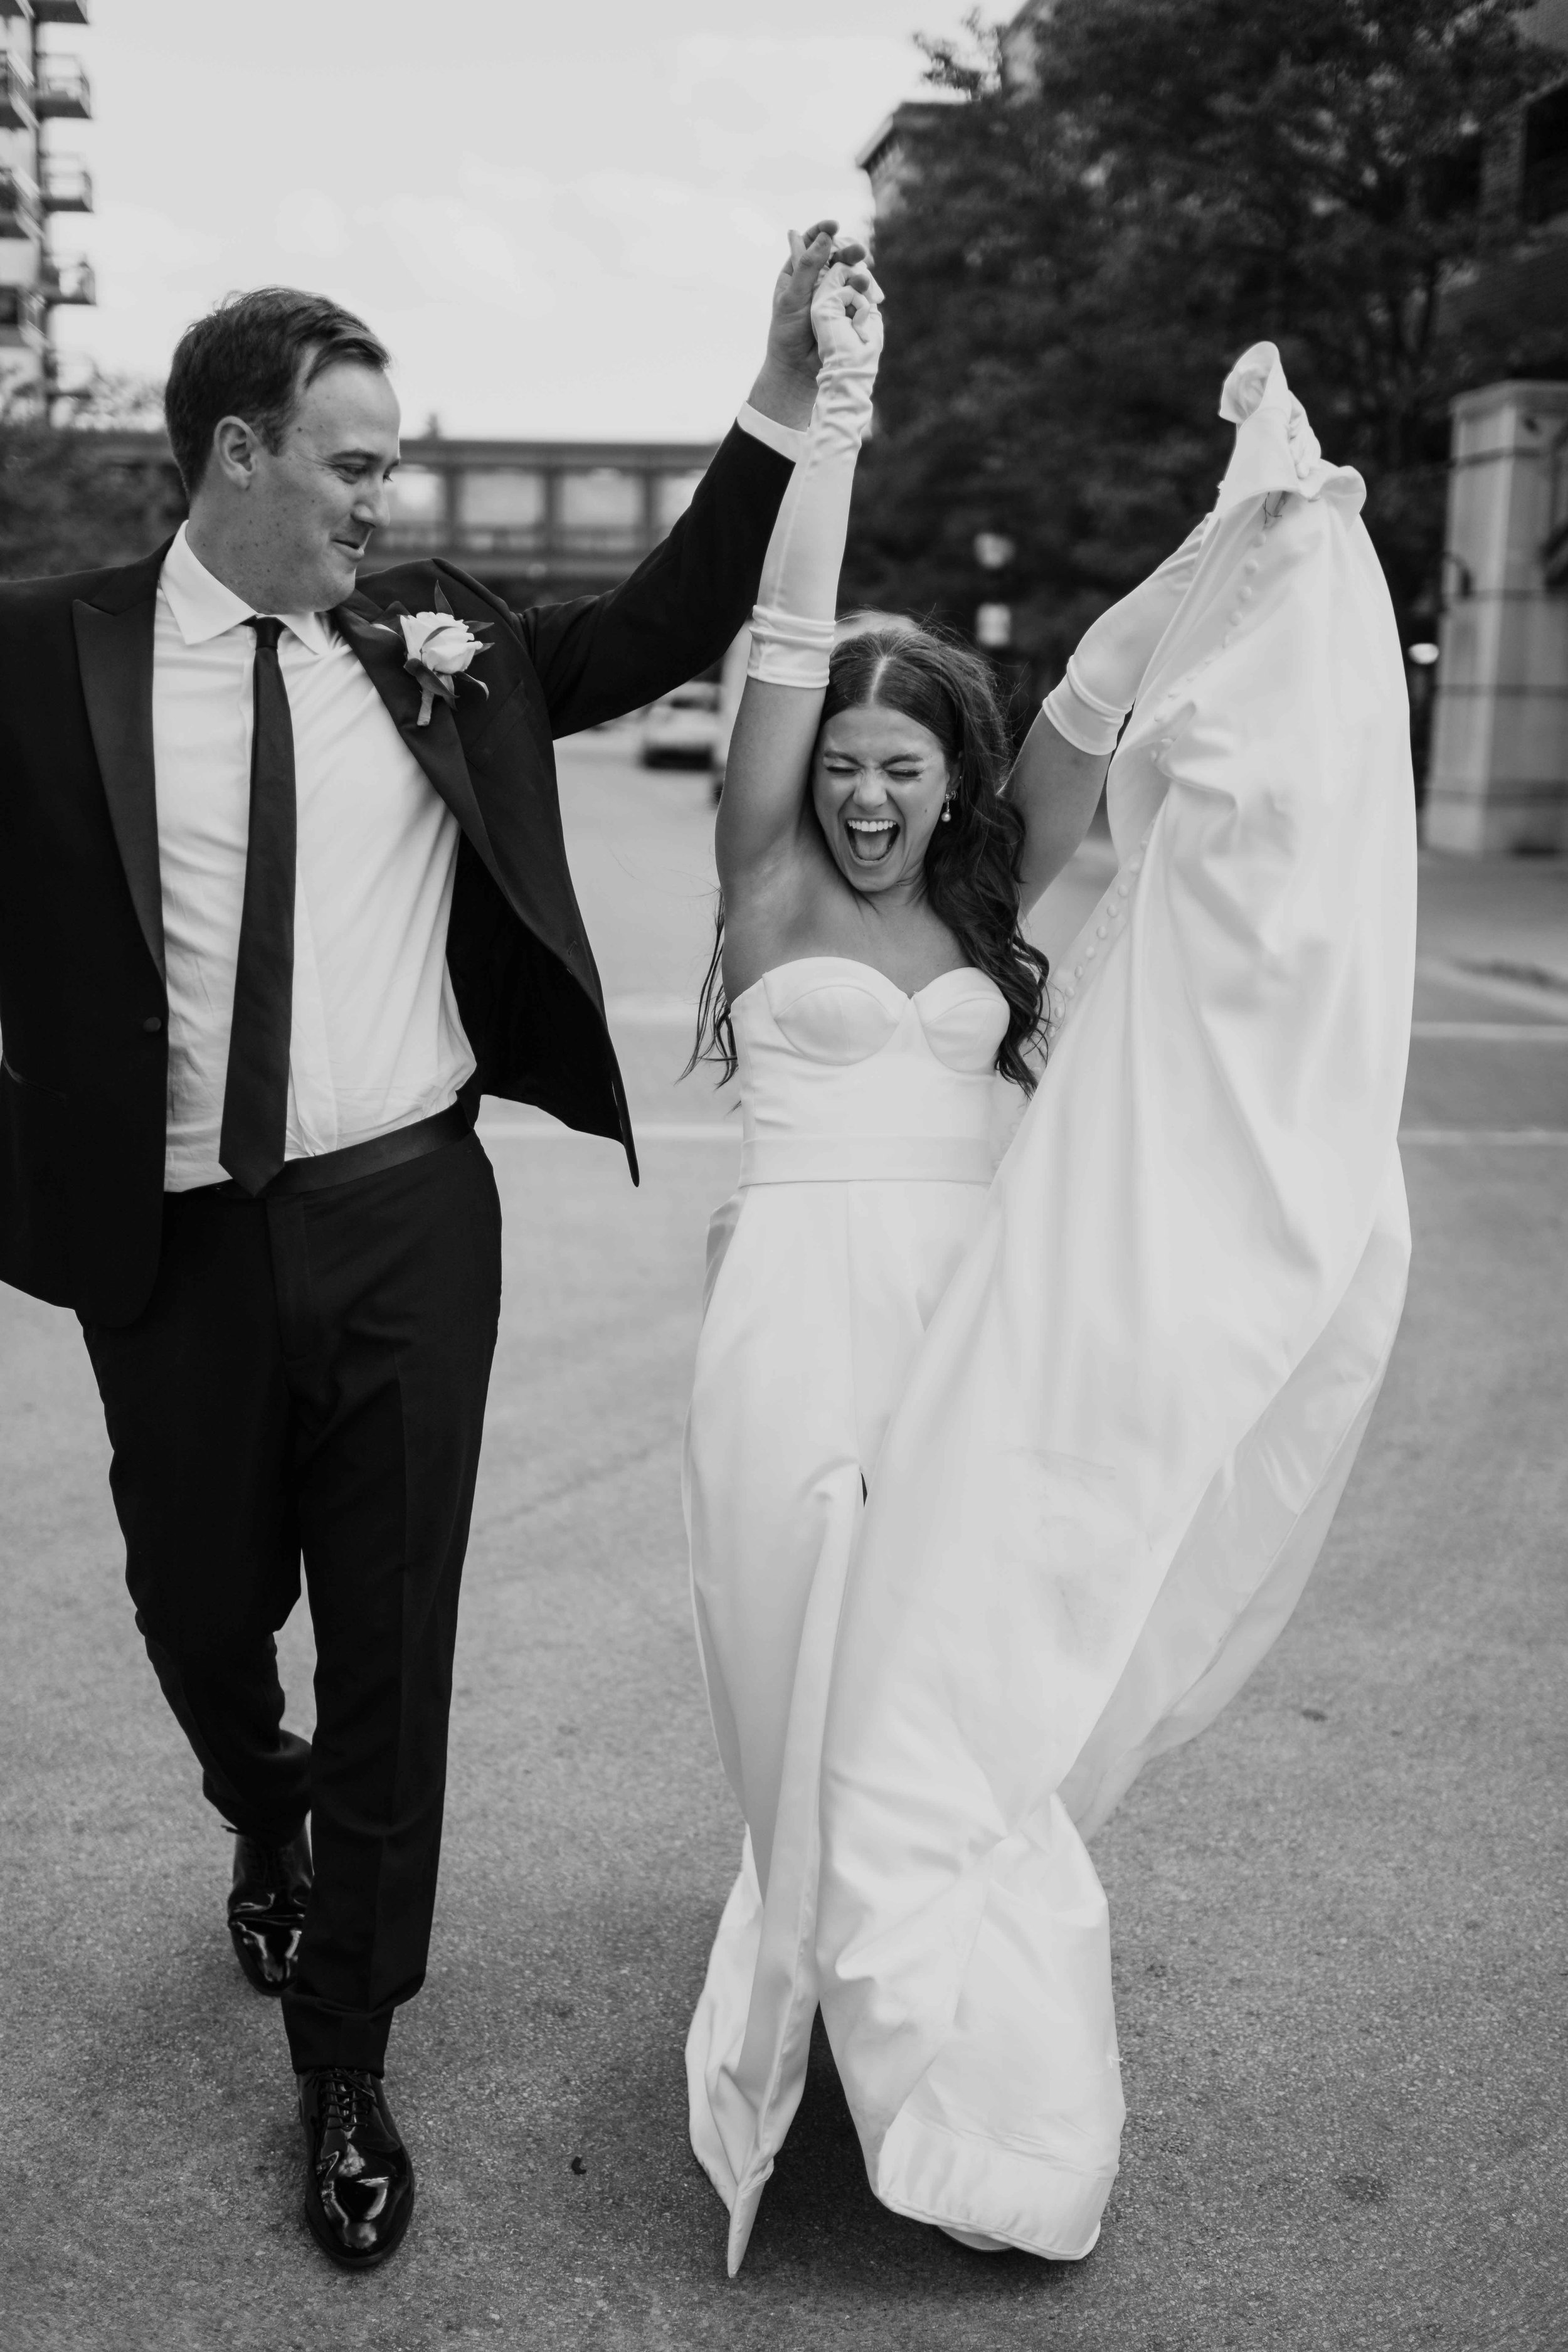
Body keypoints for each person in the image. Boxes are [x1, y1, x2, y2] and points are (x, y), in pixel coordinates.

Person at [0, 225, 867, 2270]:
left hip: (405, 1215)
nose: (383, 500)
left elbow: (661, 619)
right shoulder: (41, 654)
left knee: (395, 1640)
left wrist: (776, 393)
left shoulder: (431, 639)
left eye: (389, 465)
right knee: (198, 1607)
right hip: (173, 1243)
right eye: (356, 463)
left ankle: (346, 2050)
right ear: (237, 453)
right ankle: (259, 1805)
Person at [682, 289, 1416, 2269]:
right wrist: (832, 409)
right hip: (788, 1335)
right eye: (842, 763)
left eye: (903, 766)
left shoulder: (999, 900)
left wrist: (1227, 538)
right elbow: (781, 632)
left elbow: (1093, 706)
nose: (864, 795)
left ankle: (952, 2087)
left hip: (973, 1337)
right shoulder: (762, 885)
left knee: (937, 1704)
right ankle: (815, 1990)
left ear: (954, 781)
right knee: (792, 1686)